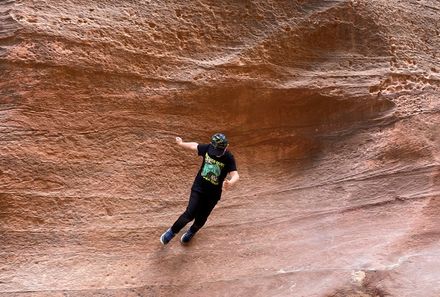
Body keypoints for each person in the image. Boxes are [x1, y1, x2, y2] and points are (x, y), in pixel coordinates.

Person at [160, 133, 239, 245]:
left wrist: (230, 183)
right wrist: (181, 144)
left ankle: (192, 231)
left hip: (213, 194)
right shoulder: (208, 148)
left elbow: (235, 175)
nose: (216, 154)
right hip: (199, 188)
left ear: (226, 146)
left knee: (201, 218)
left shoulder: (228, 157)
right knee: (189, 214)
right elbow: (194, 146)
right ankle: (172, 231)